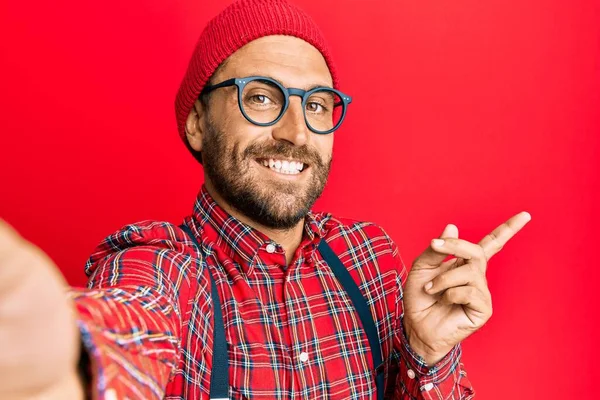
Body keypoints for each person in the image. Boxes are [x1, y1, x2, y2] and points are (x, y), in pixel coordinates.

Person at [0, 0, 531, 398]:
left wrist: (428, 353)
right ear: (197, 124)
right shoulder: (162, 264)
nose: (298, 133)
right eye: (260, 97)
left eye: (318, 105)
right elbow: (134, 321)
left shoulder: (368, 256)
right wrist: (59, 358)